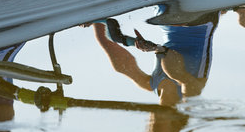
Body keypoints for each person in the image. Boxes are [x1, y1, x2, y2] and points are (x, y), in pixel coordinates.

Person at [90, 8, 220, 106]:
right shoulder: (191, 92)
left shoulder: (150, 85)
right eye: (158, 128)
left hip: (167, 21)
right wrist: (158, 49)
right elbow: (175, 64)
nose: (151, 124)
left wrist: (92, 18)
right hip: (200, 23)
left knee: (161, 12)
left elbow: (123, 66)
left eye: (151, 127)